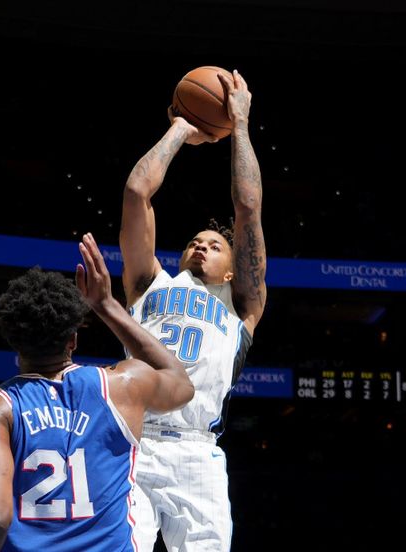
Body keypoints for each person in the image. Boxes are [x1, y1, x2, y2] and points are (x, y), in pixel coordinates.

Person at [0, 232, 194, 552]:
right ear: (73, 340)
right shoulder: (122, 386)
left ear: (12, 340)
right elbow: (181, 383)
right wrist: (107, 306)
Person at [120, 69, 266, 551]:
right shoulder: (148, 283)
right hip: (132, 443)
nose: (202, 247)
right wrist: (181, 128)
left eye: (214, 246)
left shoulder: (240, 305)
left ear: (232, 269)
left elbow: (248, 209)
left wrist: (239, 124)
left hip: (195, 454)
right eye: (194, 242)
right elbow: (138, 192)